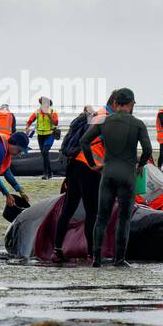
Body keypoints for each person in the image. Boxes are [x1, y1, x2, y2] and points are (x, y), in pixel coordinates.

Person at [80, 88, 152, 268]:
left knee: (101, 218)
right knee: (123, 218)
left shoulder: (104, 122)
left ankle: (96, 259)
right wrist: (141, 164)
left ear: (115, 104)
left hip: (108, 174)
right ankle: (119, 259)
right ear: (131, 103)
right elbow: (148, 150)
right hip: (127, 176)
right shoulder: (138, 124)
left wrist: (92, 164)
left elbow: (84, 142)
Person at [52, 98, 114, 263]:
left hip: (74, 166)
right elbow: (103, 144)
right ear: (116, 104)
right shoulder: (105, 117)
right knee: (91, 211)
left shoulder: (92, 117)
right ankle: (91, 254)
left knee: (68, 210)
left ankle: (57, 250)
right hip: (89, 167)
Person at [24, 97, 60, 179]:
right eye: (42, 103)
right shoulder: (37, 112)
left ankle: (46, 173)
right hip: (40, 135)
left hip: (50, 134)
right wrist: (27, 128)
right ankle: (50, 173)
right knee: (44, 154)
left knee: (45, 152)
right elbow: (30, 120)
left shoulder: (53, 111)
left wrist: (48, 115)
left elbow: (56, 123)